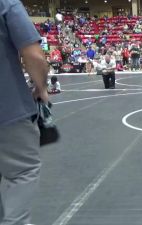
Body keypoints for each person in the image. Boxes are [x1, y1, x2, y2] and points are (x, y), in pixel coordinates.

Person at [0, 0, 50, 224]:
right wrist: (41, 89)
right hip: (7, 109)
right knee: (22, 171)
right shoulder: (6, 4)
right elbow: (35, 56)